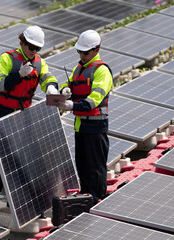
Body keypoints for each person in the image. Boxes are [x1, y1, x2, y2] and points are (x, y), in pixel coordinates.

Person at [0, 25, 59, 214]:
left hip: (22, 113)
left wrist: (52, 88)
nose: (33, 52)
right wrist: (18, 75)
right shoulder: (7, 58)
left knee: (20, 155)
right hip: (1, 111)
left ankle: (16, 200)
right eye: (31, 47)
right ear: (22, 43)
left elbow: (47, 77)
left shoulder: (40, 63)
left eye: (37, 49)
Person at [57, 30, 113, 205]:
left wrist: (71, 105)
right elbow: (69, 85)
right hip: (80, 125)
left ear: (96, 49)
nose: (82, 55)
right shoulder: (78, 68)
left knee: (94, 167)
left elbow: (93, 101)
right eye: (79, 51)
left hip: (96, 127)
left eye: (85, 52)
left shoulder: (102, 71)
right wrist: (64, 91)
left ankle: (96, 199)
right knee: (82, 164)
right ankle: (87, 196)